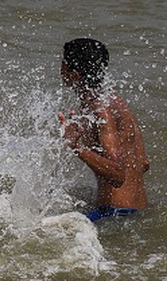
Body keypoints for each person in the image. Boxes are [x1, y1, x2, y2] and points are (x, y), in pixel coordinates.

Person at [57, 38, 149, 222]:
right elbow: (144, 163)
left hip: (113, 214)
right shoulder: (116, 102)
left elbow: (118, 174)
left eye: (63, 63)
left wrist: (77, 147)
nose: (60, 68)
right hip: (137, 209)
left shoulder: (99, 109)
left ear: (74, 74)